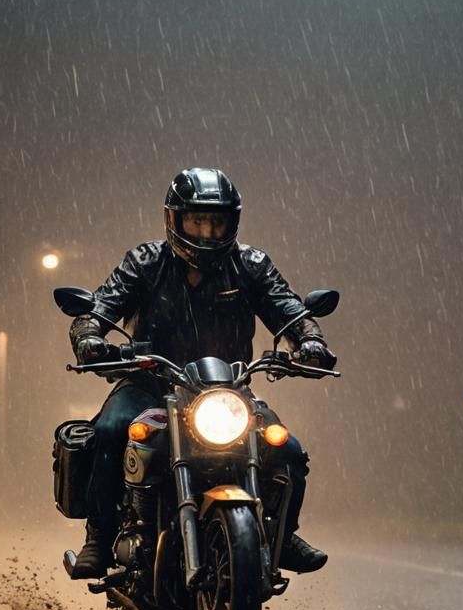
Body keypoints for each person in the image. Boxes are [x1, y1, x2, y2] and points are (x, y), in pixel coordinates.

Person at [66, 167, 336, 580]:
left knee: (287, 448)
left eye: (216, 221)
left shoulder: (251, 265)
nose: (207, 231)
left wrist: (310, 340)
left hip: (225, 391)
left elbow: (290, 310)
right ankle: (99, 538)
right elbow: (99, 308)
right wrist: (89, 336)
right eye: (197, 220)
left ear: (232, 222)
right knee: (111, 429)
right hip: (150, 384)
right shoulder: (146, 262)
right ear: (174, 219)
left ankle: (284, 536)